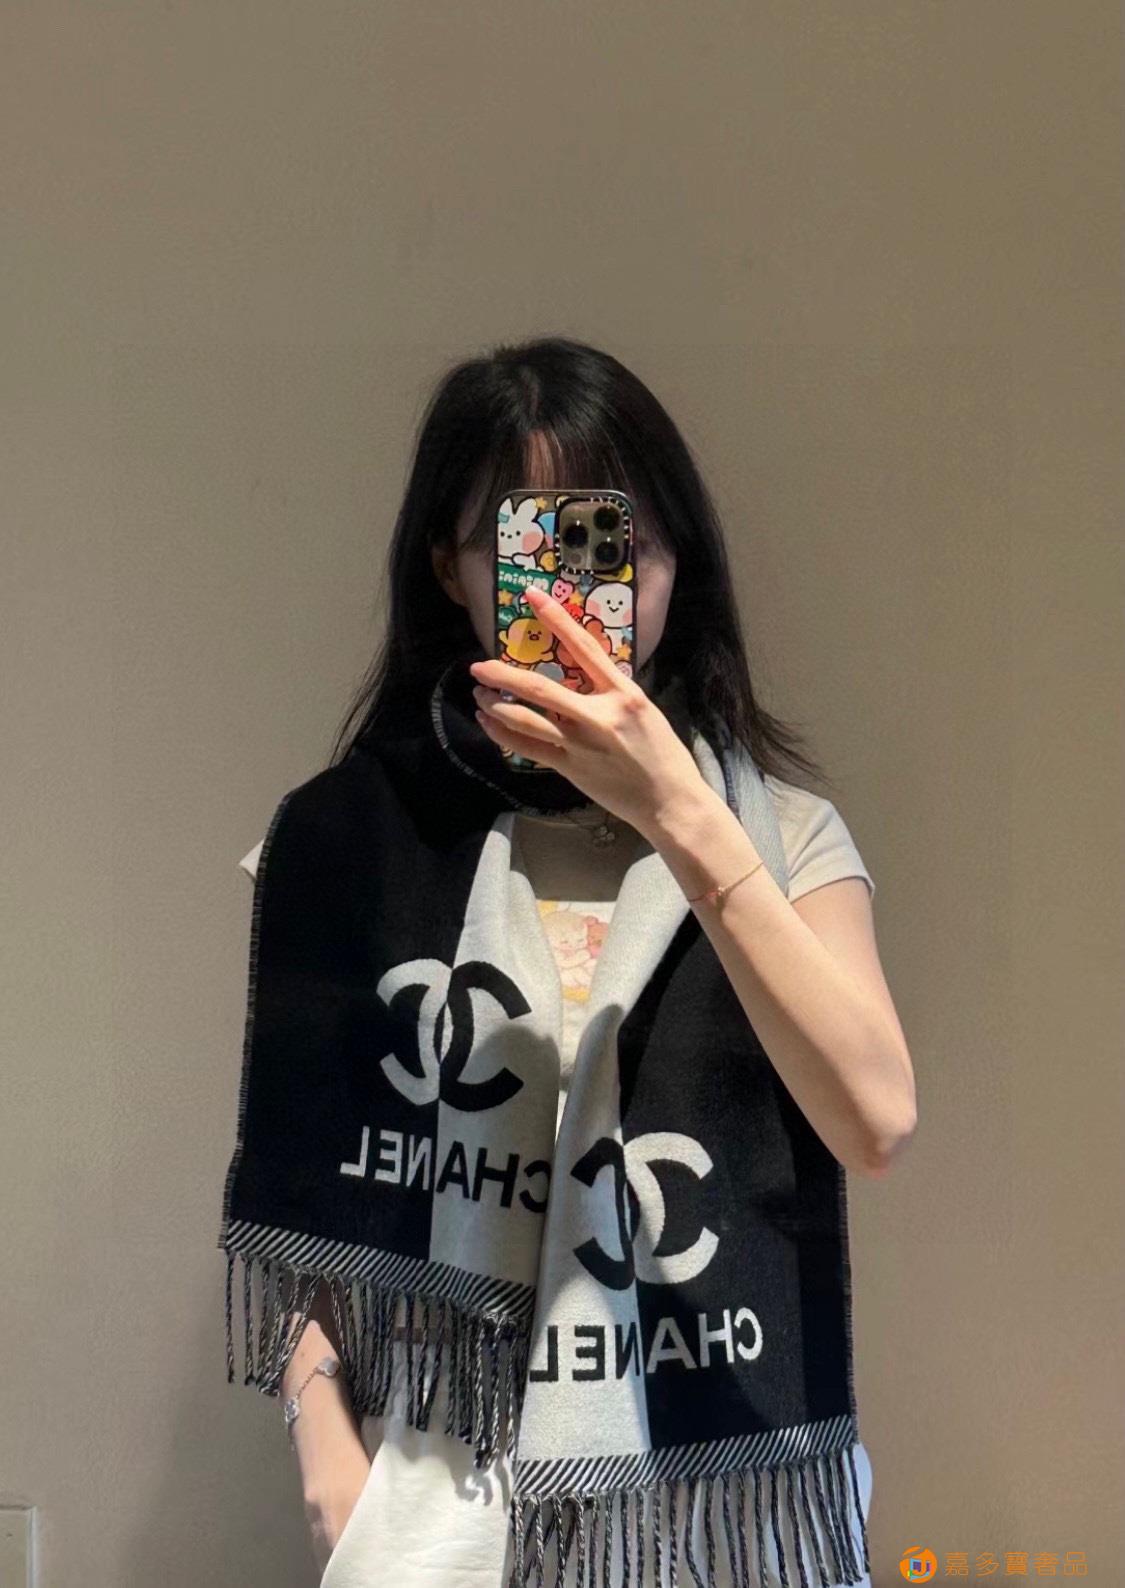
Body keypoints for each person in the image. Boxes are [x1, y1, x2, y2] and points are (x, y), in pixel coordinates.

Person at [233, 335, 916, 1586]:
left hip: (727, 1507)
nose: (576, 590)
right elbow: (308, 1180)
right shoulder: (352, 847)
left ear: (676, 566)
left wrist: (680, 813)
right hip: (442, 1511)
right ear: (450, 565)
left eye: (618, 543)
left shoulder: (781, 836)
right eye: (528, 542)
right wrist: (330, 1461)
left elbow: (873, 1118)